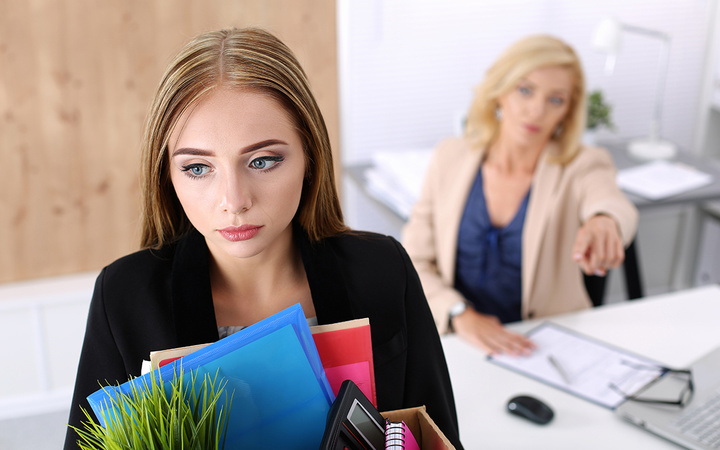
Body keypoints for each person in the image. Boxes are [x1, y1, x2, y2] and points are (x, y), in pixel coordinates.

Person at [64, 28, 462, 449]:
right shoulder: (124, 294)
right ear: (167, 174)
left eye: (263, 160)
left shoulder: (383, 269)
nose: (234, 201)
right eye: (198, 168)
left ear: (309, 156)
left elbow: (439, 434)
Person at [401, 35, 638, 356]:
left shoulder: (581, 164)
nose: (537, 111)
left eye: (556, 100)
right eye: (525, 90)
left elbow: (611, 201)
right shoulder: (450, 156)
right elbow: (413, 261)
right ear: (499, 92)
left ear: (568, 111)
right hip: (459, 340)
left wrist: (604, 221)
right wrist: (460, 315)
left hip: (544, 345)